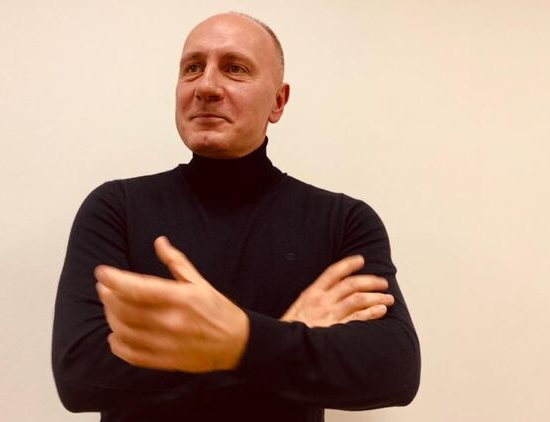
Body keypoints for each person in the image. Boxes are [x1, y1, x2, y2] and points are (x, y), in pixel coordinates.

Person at [52, 12, 420, 422]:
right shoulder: (116, 208)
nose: (206, 86)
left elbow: (395, 372)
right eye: (193, 68)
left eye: (235, 68)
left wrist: (240, 341)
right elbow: (80, 375)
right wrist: (278, 339)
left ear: (278, 102)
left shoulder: (343, 221)